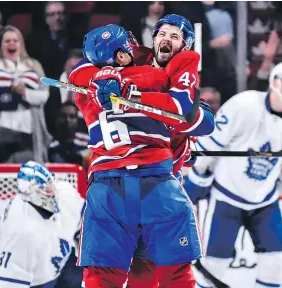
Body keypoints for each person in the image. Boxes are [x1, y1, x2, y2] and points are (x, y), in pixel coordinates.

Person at [69, 19, 214, 287]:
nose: (166, 39)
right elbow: (190, 114)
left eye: (174, 35)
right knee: (165, 274)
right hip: (157, 180)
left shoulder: (97, 82)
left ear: (184, 44)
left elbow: (77, 73)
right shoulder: (153, 74)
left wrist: (114, 85)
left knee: (107, 276)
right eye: (162, 33)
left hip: (108, 181)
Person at [187, 61, 282, 288]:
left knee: (275, 262)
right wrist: (198, 176)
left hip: (264, 202)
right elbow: (212, 144)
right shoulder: (244, 103)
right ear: (274, 80)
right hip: (226, 198)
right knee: (213, 267)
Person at [0, 161, 84, 288]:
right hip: (36, 281)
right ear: (29, 193)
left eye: (51, 184)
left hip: (60, 264)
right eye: (44, 190)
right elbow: (5, 283)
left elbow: (88, 226)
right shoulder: (20, 231)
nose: (52, 193)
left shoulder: (64, 193)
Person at [0, 25, 51, 164]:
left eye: (15, 40)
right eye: (7, 41)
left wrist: (25, 93)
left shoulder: (33, 65)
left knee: (25, 167)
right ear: (0, 44)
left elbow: (44, 94)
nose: (11, 43)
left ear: (21, 44)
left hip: (27, 128)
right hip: (0, 127)